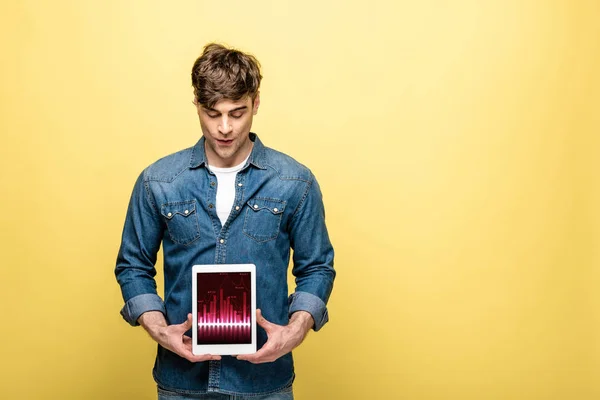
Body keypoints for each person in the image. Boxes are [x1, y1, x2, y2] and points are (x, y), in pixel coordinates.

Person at [115, 43, 336, 399]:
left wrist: (294, 331)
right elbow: (133, 266)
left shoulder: (295, 181)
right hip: (182, 382)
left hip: (264, 383)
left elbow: (318, 267)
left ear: (256, 103)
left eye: (237, 113)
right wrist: (158, 329)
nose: (224, 128)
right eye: (212, 113)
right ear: (197, 107)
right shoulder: (158, 181)